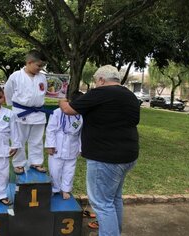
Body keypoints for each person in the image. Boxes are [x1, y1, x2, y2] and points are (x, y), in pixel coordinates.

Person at [59, 65, 140, 236]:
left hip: (106, 158)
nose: (95, 85)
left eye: (96, 81)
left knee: (102, 203)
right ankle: (114, 232)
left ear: (102, 79)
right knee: (114, 199)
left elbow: (68, 110)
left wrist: (60, 97)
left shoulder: (100, 93)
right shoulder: (130, 96)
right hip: (128, 155)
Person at [4, 49, 50, 175]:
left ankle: (36, 162)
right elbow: (8, 91)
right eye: (38, 65)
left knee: (37, 139)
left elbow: (43, 92)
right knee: (19, 138)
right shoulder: (16, 76)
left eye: (42, 66)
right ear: (29, 62)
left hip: (38, 112)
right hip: (21, 112)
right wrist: (13, 106)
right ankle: (19, 163)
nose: (40, 69)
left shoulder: (42, 77)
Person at [45, 92, 83, 200]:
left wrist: (81, 148)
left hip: (72, 145)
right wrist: (50, 145)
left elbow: (82, 134)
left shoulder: (81, 116)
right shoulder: (57, 112)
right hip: (58, 144)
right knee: (54, 170)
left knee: (69, 170)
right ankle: (55, 188)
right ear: (69, 103)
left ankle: (65, 189)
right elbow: (50, 130)